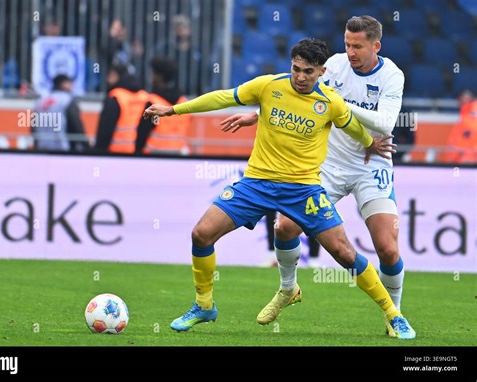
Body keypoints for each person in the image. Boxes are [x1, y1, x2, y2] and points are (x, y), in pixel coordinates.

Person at [143, 38, 415, 339]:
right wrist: (174, 110)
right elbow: (223, 97)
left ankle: (394, 314)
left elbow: (351, 125)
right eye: (296, 69)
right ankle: (204, 306)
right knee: (201, 234)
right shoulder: (268, 86)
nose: (300, 77)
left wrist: (370, 143)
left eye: (308, 72)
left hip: (303, 190)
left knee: (344, 253)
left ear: (322, 71)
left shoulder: (330, 103)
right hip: (256, 184)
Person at [220, 16, 410, 338]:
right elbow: (299, 98)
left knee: (388, 250)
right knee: (284, 225)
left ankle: (393, 315)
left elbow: (385, 123)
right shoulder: (332, 65)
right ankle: (288, 288)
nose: (350, 52)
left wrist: (336, 104)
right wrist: (258, 115)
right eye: (347, 44)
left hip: (371, 162)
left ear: (375, 46)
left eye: (358, 46)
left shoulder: (392, 75)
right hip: (329, 164)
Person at [142, 56, 191, 155]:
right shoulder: (184, 102)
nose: (151, 77)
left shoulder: (152, 102)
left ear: (159, 76)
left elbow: (142, 133)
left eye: (153, 73)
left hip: (153, 157)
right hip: (178, 157)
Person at [33, 74, 88, 151]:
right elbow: (76, 124)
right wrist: (86, 145)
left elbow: (33, 127)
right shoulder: (67, 100)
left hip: (42, 147)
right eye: (70, 83)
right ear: (64, 84)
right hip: (62, 148)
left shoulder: (40, 102)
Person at [443, 89, 477, 163]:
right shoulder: (464, 117)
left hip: (467, 163)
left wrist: (468, 158)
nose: (463, 100)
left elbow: (471, 140)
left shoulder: (471, 118)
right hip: (458, 161)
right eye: (461, 98)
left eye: (466, 98)